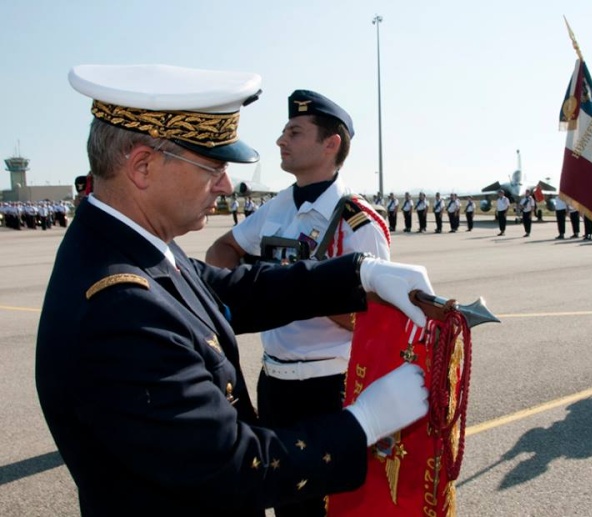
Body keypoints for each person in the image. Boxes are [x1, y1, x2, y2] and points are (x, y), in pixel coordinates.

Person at [37, 64, 432, 517]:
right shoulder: (120, 307)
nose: (225, 185)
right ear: (142, 166)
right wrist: (364, 422)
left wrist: (359, 275)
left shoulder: (134, 244)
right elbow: (235, 468)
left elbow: (232, 289)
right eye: (212, 166)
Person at [205, 89, 390, 516]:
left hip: (330, 386)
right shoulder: (277, 208)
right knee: (284, 501)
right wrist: (247, 292)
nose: (280, 140)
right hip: (274, 383)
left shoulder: (357, 222)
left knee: (329, 506)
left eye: (295, 131)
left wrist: (305, 290)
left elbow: (377, 321)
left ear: (331, 144)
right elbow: (222, 250)